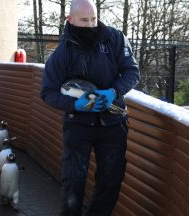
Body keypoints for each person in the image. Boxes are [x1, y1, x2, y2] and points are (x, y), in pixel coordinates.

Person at [40, 0, 140, 215]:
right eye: (84, 20)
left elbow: (132, 72)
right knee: (73, 182)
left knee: (111, 181)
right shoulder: (61, 53)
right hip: (78, 124)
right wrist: (74, 104)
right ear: (70, 19)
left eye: (93, 19)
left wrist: (113, 92)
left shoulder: (115, 38)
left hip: (113, 122)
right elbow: (48, 93)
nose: (90, 24)